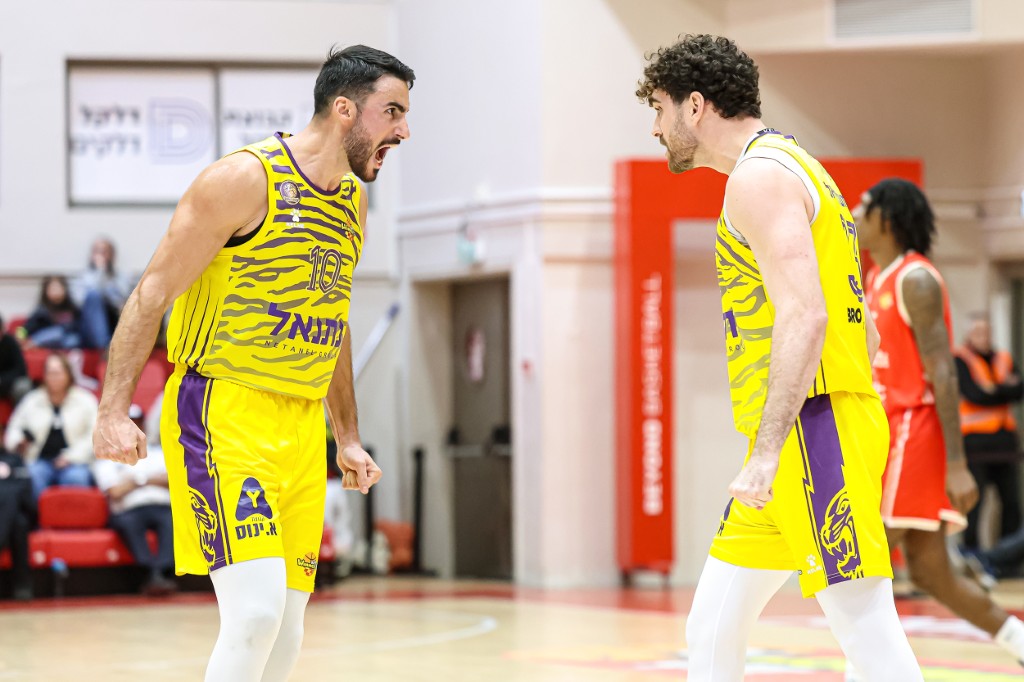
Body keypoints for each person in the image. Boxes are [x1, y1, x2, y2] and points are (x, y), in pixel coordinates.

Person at [92, 45, 409, 682]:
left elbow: (332, 318)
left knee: (287, 631)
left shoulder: (351, 201)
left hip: (301, 426)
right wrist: (112, 411)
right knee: (256, 615)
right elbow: (152, 292)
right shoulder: (242, 180)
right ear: (345, 110)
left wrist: (347, 436)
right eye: (392, 112)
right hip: (223, 411)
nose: (403, 131)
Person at [637, 34, 922, 681]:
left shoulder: (759, 178)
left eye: (658, 108)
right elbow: (865, 333)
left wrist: (769, 452)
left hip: (813, 432)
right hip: (807, 432)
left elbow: (807, 314)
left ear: (695, 106)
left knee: (866, 630)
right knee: (713, 626)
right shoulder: (796, 164)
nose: (654, 127)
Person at [857, 177, 1024, 672]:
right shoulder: (875, 276)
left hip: (916, 430)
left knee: (864, 559)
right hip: (889, 429)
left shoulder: (917, 280)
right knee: (931, 573)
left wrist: (957, 463)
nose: (855, 215)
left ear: (887, 218)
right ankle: (1019, 641)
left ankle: (862, 670)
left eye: (864, 207)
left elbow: (944, 372)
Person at [954, 313, 1023, 551]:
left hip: (1005, 442)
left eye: (986, 332)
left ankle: (1006, 557)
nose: (983, 337)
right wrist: (1003, 389)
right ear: (969, 335)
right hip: (975, 443)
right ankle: (972, 554)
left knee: (1011, 503)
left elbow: (1019, 390)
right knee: (976, 502)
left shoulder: (1003, 357)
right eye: (978, 332)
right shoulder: (961, 359)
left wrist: (992, 389)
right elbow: (974, 394)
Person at [93, 404, 175, 596]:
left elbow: (173, 481)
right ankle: (151, 574)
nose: (134, 428)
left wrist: (135, 481)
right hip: (128, 509)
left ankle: (160, 573)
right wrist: (150, 479)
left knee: (172, 521)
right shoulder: (108, 457)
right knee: (129, 524)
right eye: (130, 423)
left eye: (138, 423)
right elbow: (115, 491)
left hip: (162, 506)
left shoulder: (160, 452)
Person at [4, 353, 96, 498]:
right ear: (44, 376)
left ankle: (72, 513)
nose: (54, 377)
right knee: (33, 476)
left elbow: (95, 435)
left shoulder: (85, 400)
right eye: (50, 373)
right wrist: (18, 442)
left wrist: (71, 457)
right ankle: (36, 513)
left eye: (58, 373)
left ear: (68, 375)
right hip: (39, 459)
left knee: (76, 477)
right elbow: (14, 428)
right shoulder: (32, 400)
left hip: (75, 461)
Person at [71, 237, 134, 350]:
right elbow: (79, 303)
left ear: (112, 255)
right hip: (90, 329)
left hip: (114, 323)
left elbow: (121, 300)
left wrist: (104, 275)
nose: (101, 255)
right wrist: (100, 272)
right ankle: (104, 347)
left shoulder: (121, 277)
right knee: (93, 296)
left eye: (104, 251)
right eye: (97, 251)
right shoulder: (83, 277)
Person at [0, 444, 35, 600]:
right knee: (18, 522)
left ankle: (22, 585)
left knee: (20, 522)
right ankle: (23, 584)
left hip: (14, 512)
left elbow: (25, 489)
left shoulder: (14, 459)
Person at [20, 276, 85, 350]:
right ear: (46, 291)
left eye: (58, 288)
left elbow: (78, 327)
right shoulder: (41, 310)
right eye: (52, 289)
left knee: (74, 340)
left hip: (64, 341)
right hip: (45, 338)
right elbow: (26, 328)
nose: (56, 292)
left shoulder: (72, 309)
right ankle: (34, 344)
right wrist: (19, 336)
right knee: (57, 332)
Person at [0, 314, 31, 406]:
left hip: (8, 383)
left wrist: (2, 380)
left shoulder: (10, 342)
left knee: (23, 386)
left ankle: (22, 414)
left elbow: (21, 369)